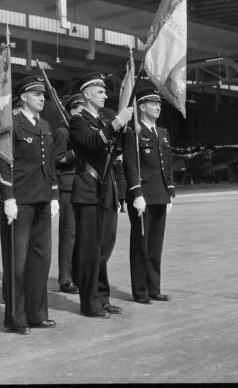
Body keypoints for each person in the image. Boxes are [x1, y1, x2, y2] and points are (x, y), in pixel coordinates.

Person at [0, 75, 60, 335]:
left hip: (43, 200)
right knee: (17, 261)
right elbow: (3, 161)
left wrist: (54, 195)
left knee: (41, 260)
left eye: (43, 94)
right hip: (20, 200)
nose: (42, 98)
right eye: (36, 94)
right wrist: (8, 196)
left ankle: (37, 314)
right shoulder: (11, 123)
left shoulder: (44, 125)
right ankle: (15, 317)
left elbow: (50, 163)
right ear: (23, 97)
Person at [69, 73, 133, 318]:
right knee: (89, 249)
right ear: (86, 94)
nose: (105, 95)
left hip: (107, 189)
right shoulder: (78, 120)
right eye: (100, 91)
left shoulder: (102, 119)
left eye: (105, 92)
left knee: (105, 246)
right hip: (88, 189)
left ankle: (102, 297)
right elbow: (93, 142)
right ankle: (89, 302)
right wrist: (116, 123)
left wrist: (119, 124)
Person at [123, 87, 174, 304]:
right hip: (143, 196)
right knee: (141, 245)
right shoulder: (133, 132)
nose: (158, 107)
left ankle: (154, 287)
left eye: (159, 104)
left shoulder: (162, 133)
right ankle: (141, 291)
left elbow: (168, 165)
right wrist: (136, 193)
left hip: (160, 194)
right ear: (142, 107)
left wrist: (170, 191)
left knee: (155, 245)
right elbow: (130, 164)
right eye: (153, 104)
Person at [53, 93, 84, 295]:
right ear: (73, 111)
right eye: (82, 108)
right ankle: (65, 278)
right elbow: (56, 159)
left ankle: (78, 274)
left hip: (84, 185)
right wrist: (75, 153)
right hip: (68, 187)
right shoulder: (63, 132)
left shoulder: (84, 131)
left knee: (83, 234)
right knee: (69, 234)